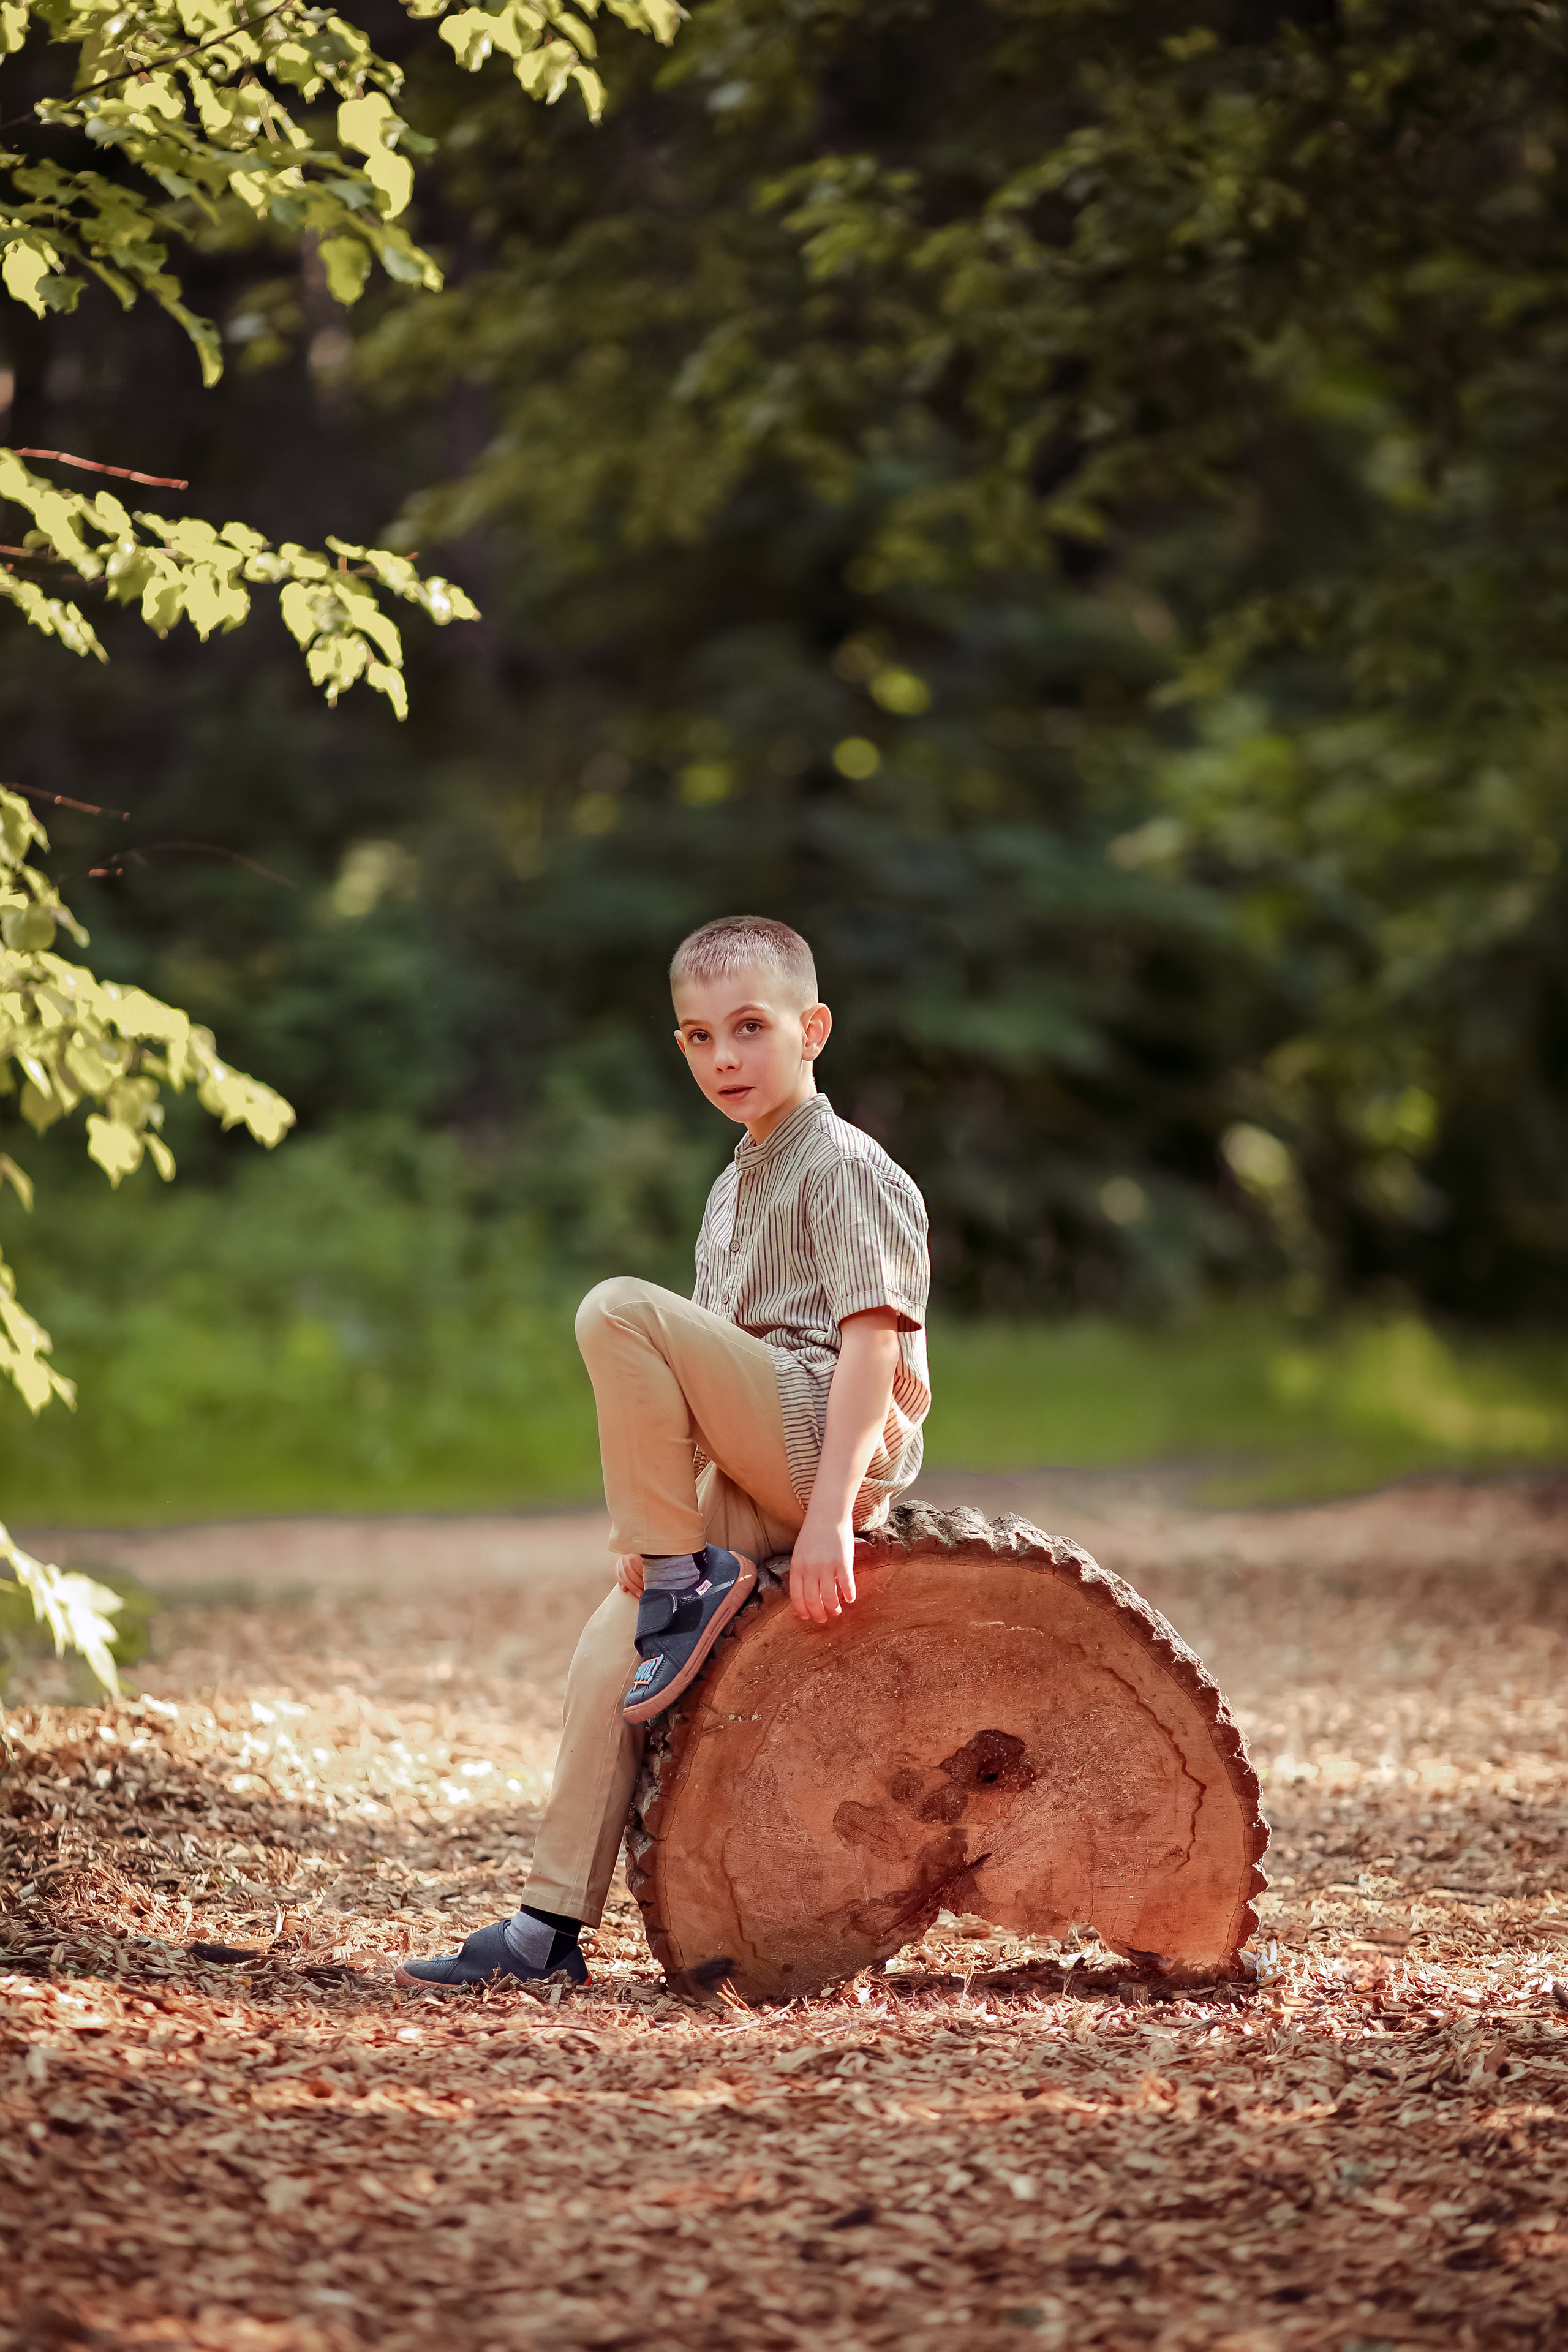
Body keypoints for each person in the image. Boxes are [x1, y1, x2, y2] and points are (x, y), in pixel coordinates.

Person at [398, 914, 932, 1991]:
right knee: (609, 1650)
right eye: (698, 1037)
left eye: (750, 1027)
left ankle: (686, 1576)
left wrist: (833, 1518)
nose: (724, 1057)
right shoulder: (732, 1188)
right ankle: (547, 1930)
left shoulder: (845, 1168)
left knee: (615, 1308)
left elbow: (875, 1347)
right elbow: (692, 1383)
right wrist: (663, 1525)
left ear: (812, 1029)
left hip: (825, 1441)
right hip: (751, 1456)